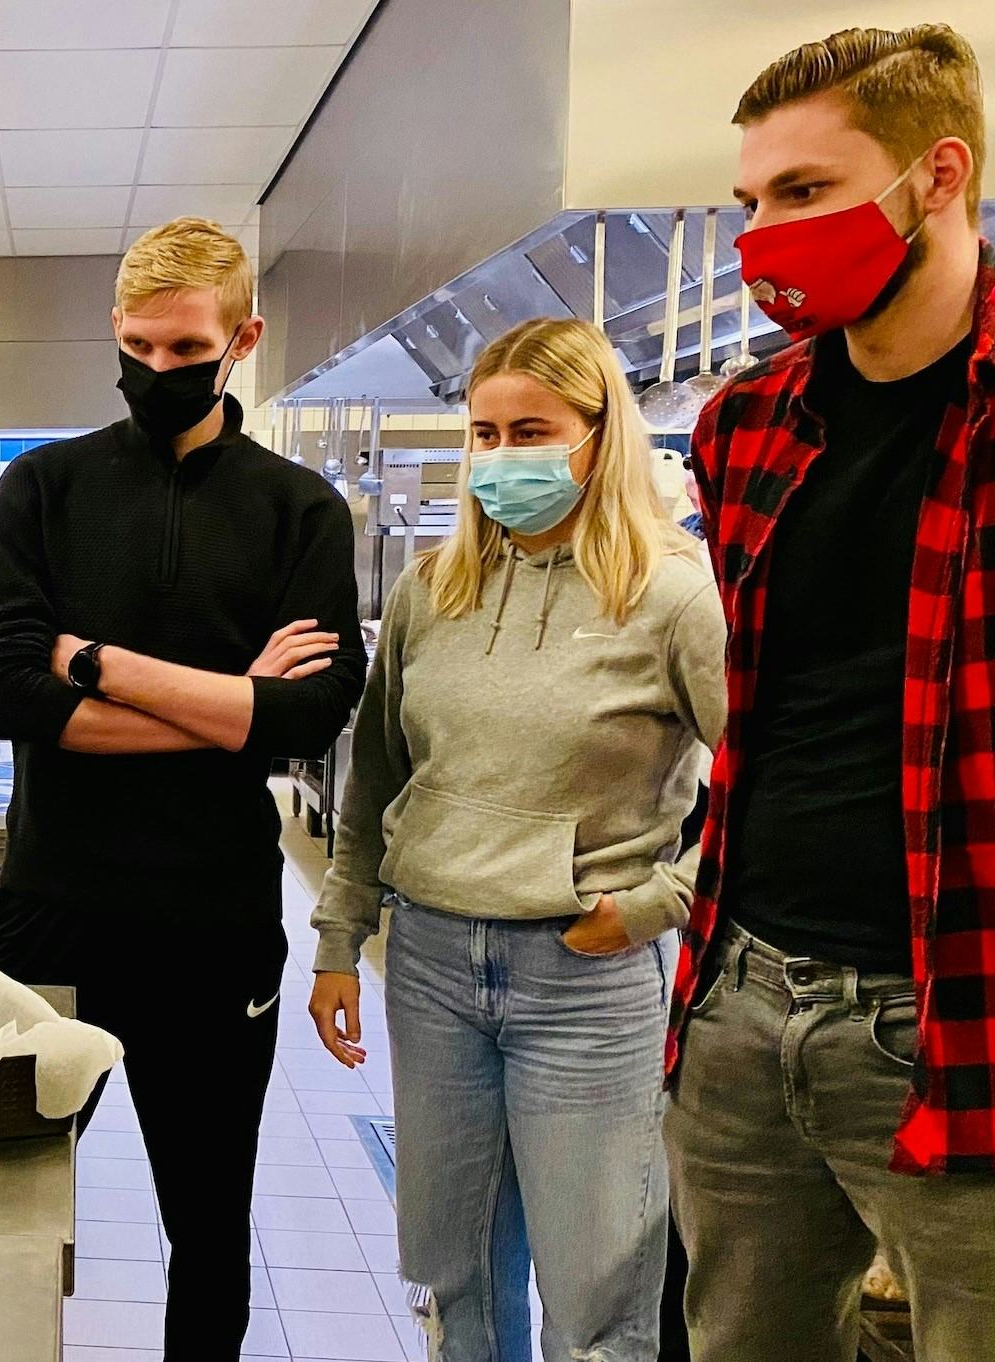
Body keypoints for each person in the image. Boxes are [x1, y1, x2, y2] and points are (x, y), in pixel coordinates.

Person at [667, 24, 995, 1361]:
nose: (762, 234)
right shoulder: (748, 424)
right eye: (750, 203)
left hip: (981, 1016)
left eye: (806, 193)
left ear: (935, 177)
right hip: (744, 996)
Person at [0, 216, 365, 1360]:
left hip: (214, 925)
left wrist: (99, 665)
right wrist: (225, 709)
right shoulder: (42, 489)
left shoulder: (298, 511)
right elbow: (10, 697)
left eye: (182, 350)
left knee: (206, 1228)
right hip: (53, 914)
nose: (154, 371)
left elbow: (303, 718)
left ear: (240, 339)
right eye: (134, 347)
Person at [307, 318, 725, 1362]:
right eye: (482, 435)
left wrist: (651, 905)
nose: (500, 458)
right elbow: (377, 782)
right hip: (433, 965)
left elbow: (768, 789)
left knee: (595, 1299)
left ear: (597, 436)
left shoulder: (672, 594)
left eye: (528, 431)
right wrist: (335, 934)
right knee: (456, 1283)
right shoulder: (430, 592)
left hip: (586, 976)